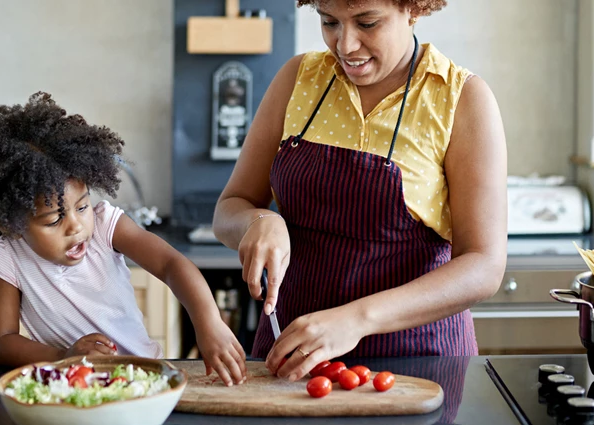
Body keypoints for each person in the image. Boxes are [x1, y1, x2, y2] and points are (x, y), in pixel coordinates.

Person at [213, 0, 507, 381]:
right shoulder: (298, 79)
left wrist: (354, 320)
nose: (345, 44)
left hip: (415, 364)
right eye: (329, 22)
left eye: (367, 23)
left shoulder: (460, 98)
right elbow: (229, 208)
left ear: (413, 10)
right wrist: (259, 220)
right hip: (294, 356)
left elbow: (484, 265)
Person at [0, 92, 247, 385]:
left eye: (82, 206)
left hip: (143, 379)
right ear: (13, 224)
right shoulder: (9, 254)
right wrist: (64, 356)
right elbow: (2, 341)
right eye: (53, 220)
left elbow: (171, 264)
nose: (76, 226)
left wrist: (208, 322)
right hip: (68, 389)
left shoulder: (105, 226)